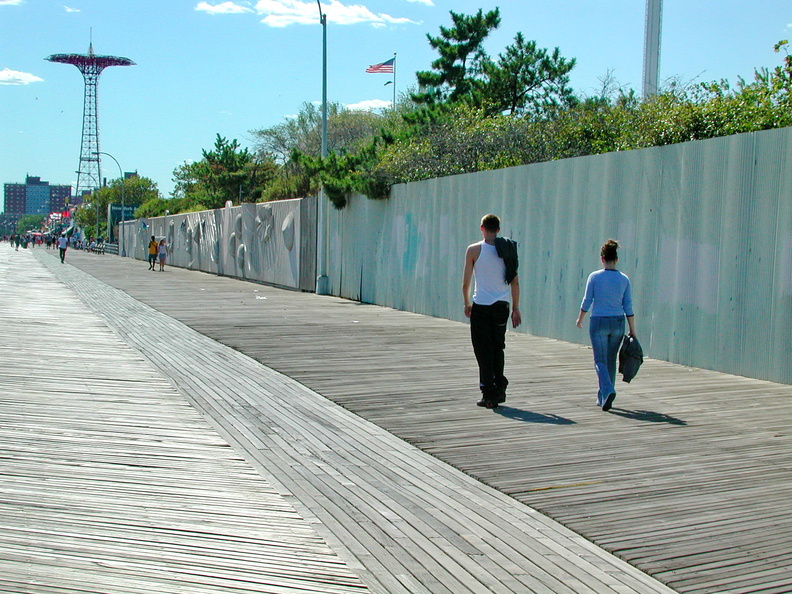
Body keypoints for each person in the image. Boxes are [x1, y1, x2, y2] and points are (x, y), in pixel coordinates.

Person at [462, 214, 521, 409]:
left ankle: (488, 393)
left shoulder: (473, 250)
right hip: (501, 306)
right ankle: (500, 387)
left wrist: (467, 302)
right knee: (497, 347)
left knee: (482, 349)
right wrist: (516, 308)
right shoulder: (508, 249)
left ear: (482, 228)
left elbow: (466, 283)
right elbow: (514, 281)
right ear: (498, 229)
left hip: (482, 305)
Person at [575, 239, 636, 412]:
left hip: (599, 321)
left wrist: (580, 318)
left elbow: (587, 301)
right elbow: (628, 306)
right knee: (610, 360)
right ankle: (603, 396)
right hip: (618, 322)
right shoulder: (624, 279)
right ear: (616, 259)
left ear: (602, 259)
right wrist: (632, 329)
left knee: (600, 360)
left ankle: (607, 390)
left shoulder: (594, 277)